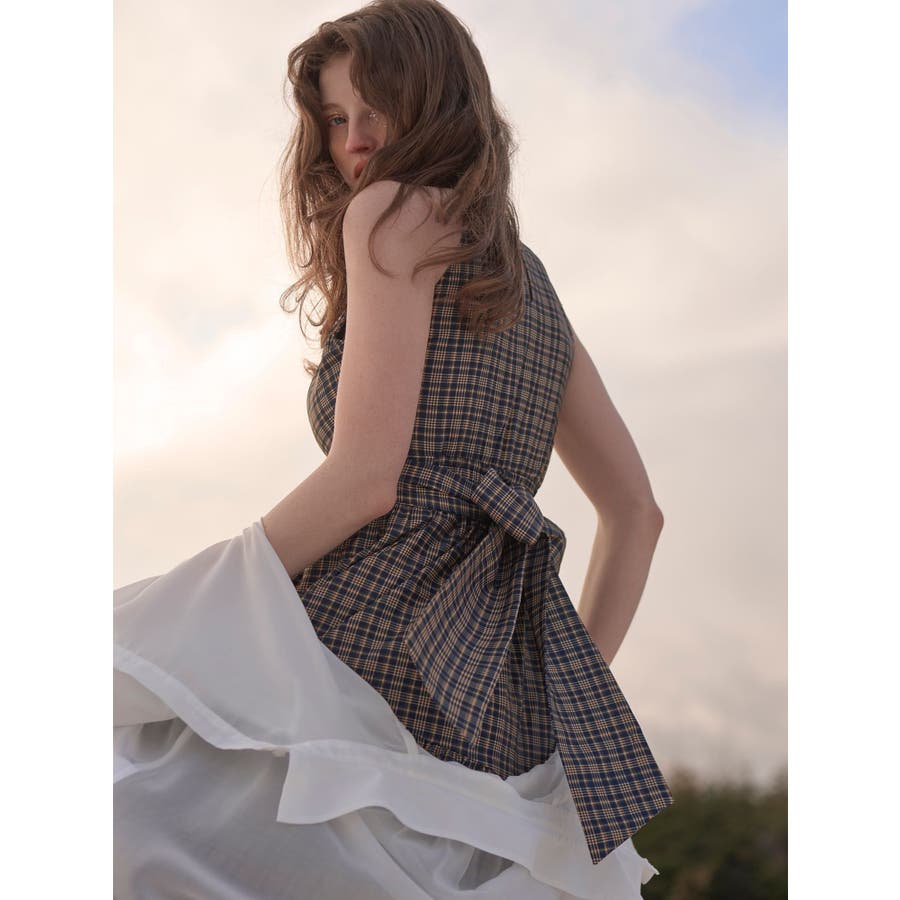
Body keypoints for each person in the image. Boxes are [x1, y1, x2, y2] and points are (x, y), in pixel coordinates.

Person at [113, 1, 674, 897]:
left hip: (359, 641)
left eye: (375, 108)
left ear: (438, 101)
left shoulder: (389, 212)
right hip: (496, 710)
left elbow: (367, 480)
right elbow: (636, 514)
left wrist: (214, 591)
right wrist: (559, 693)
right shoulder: (529, 282)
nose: (355, 141)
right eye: (336, 118)